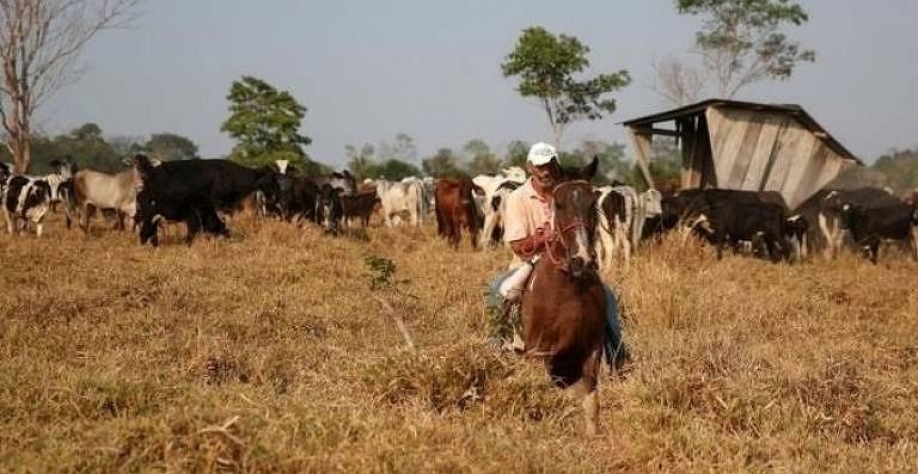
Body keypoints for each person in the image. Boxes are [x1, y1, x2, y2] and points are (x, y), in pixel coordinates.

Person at [485, 142, 628, 371]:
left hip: (569, 261)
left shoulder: (567, 192)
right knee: (496, 289)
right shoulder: (517, 198)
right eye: (540, 166)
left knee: (607, 294)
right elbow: (518, 246)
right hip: (528, 263)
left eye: (550, 165)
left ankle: (617, 354)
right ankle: (493, 348)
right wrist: (544, 238)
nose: (545, 171)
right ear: (530, 167)